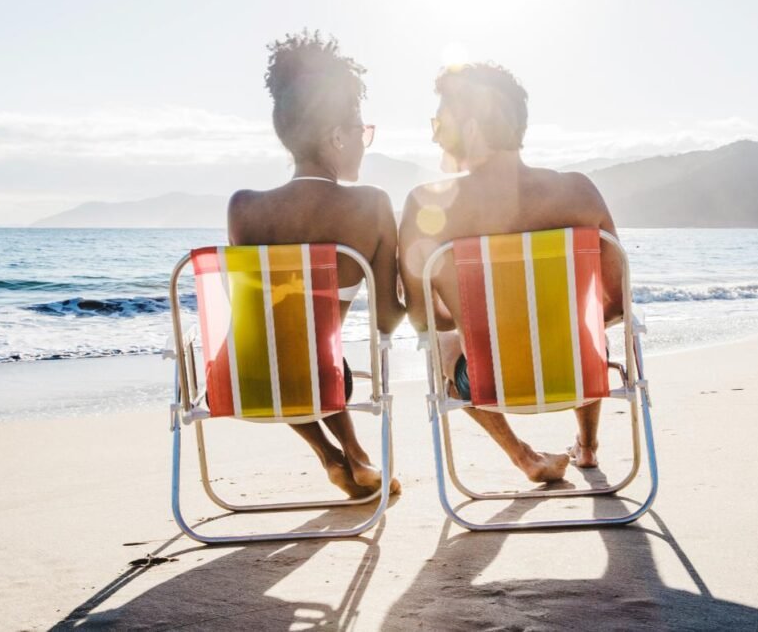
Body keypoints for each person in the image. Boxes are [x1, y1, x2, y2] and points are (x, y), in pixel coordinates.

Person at [398, 62, 624, 483]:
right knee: (585, 324)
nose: (433, 135)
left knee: (444, 344)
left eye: (439, 121)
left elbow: (423, 318)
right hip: (579, 373)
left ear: (470, 127)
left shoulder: (425, 205)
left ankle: (521, 455)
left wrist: (466, 321)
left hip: (486, 382)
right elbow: (617, 298)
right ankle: (588, 445)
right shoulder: (578, 191)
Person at [228, 30, 403, 498]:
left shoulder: (242, 206)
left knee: (288, 350)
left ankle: (336, 456)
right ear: (337, 136)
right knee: (316, 361)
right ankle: (354, 455)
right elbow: (387, 318)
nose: (366, 141)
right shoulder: (371, 206)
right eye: (363, 131)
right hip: (324, 381)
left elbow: (255, 321)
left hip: (240, 378)